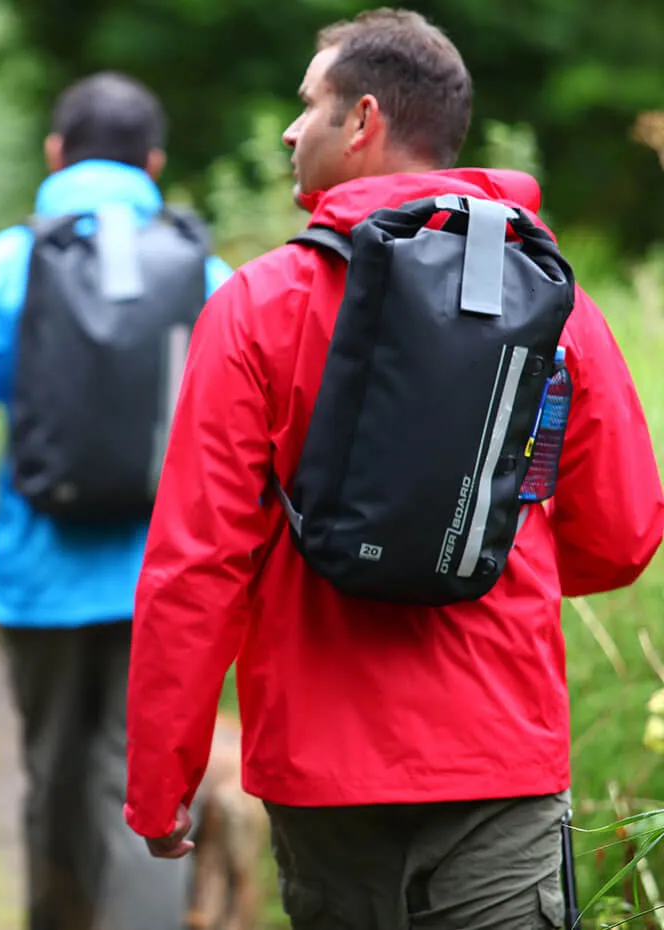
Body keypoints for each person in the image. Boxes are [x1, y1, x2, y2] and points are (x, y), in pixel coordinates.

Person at [123, 9, 664, 930]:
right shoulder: (551, 301)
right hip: (501, 759)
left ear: (362, 120)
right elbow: (621, 536)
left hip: (324, 774)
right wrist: (487, 547)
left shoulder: (256, 305)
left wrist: (161, 776)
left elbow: (198, 566)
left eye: (309, 105)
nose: (293, 130)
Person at [0, 71, 233, 930]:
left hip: (39, 572)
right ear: (155, 162)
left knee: (52, 774)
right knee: (144, 780)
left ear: (55, 153)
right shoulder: (203, 268)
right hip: (170, 574)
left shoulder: (10, 260)